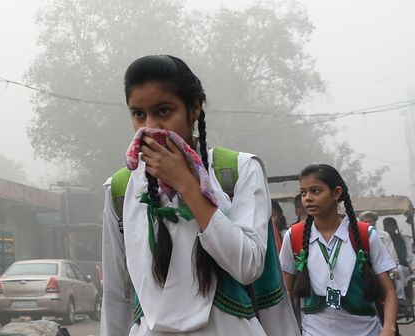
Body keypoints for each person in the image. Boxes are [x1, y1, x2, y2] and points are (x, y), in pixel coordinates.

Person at [100, 55, 298, 336]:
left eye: (164, 111)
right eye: (138, 114)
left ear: (194, 108)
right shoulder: (120, 189)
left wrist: (187, 185)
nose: (151, 127)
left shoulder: (238, 170)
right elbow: (115, 296)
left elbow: (248, 266)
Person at [280, 164, 398, 336]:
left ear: (336, 193)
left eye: (316, 191)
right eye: (304, 193)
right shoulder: (293, 236)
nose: (308, 198)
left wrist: (388, 328)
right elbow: (286, 293)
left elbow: (388, 291)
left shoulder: (366, 235)